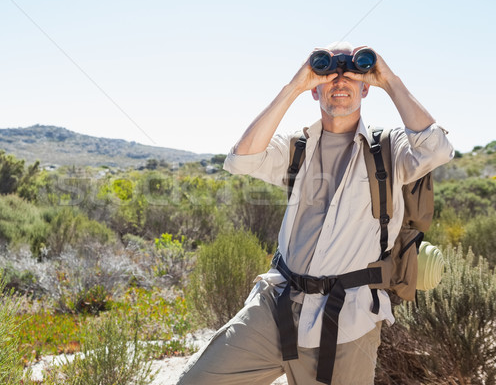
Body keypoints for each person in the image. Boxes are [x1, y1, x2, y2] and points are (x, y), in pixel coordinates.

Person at [176, 41, 454, 385]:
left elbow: (437, 148)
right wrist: (293, 87)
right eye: (327, 73)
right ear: (315, 88)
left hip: (349, 318)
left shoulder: (390, 149)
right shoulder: (297, 146)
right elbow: (241, 160)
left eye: (353, 73)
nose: (340, 80)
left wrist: (389, 79)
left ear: (366, 87)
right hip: (276, 305)